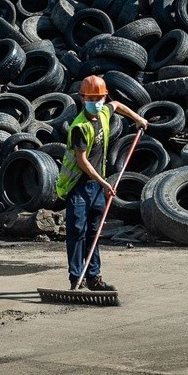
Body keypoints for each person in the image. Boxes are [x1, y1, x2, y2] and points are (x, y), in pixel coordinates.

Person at [54, 74, 148, 291]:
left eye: (99, 99)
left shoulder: (104, 112)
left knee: (94, 232)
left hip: (96, 186)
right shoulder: (80, 127)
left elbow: (117, 105)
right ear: (82, 99)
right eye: (90, 99)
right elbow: (82, 161)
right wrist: (104, 183)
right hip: (78, 185)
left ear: (104, 98)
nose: (95, 103)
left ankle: (93, 277)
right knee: (77, 231)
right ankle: (75, 279)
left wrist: (137, 119)